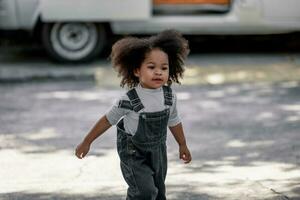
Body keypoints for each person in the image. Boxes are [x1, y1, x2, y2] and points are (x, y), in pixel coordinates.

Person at [75, 29, 192, 200]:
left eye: (164, 68)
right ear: (137, 71)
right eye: (151, 67)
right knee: (144, 192)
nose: (158, 72)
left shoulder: (169, 96)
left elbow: (174, 120)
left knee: (158, 192)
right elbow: (108, 120)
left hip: (158, 151)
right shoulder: (129, 99)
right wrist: (87, 142)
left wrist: (182, 144)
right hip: (133, 153)